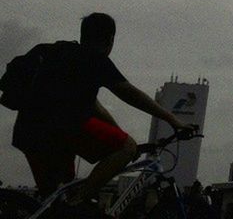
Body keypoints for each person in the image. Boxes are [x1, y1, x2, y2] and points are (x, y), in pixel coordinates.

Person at [10, 13, 194, 215]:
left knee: (54, 205)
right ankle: (79, 200)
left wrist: (119, 134)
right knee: (123, 150)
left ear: (83, 35)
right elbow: (130, 93)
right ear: (110, 39)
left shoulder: (61, 55)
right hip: (61, 130)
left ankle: (67, 206)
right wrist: (173, 120)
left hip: (27, 133)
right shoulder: (95, 59)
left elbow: (95, 107)